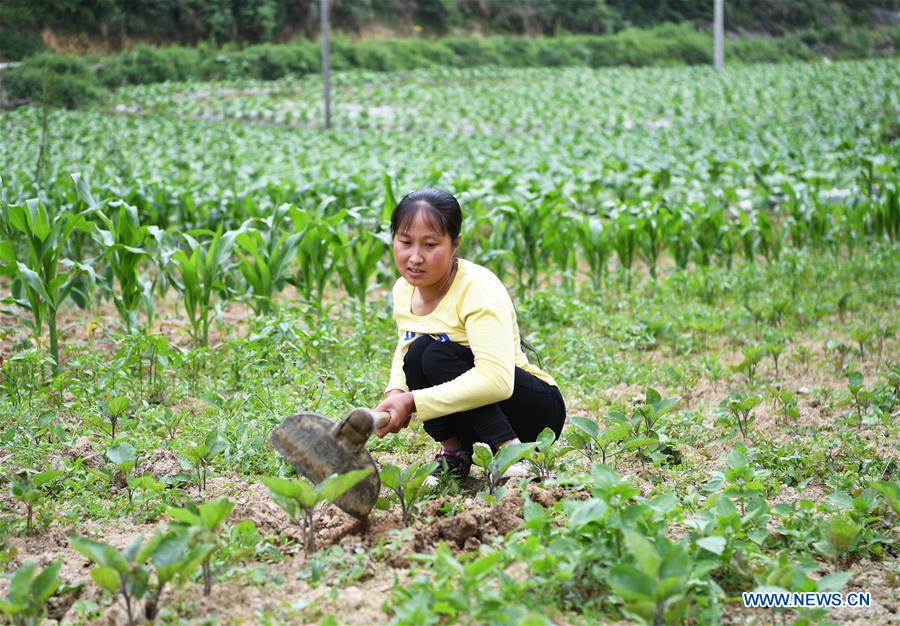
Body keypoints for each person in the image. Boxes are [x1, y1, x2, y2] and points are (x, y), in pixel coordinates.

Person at [373, 188, 566, 481]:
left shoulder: (477, 287)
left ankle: (513, 454)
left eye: (430, 244)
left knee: (436, 354)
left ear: (455, 244)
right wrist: (395, 394)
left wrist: (412, 402)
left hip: (532, 416)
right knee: (418, 354)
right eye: (405, 242)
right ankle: (456, 455)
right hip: (474, 419)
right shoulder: (404, 288)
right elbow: (406, 345)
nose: (415, 257)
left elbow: (497, 382)